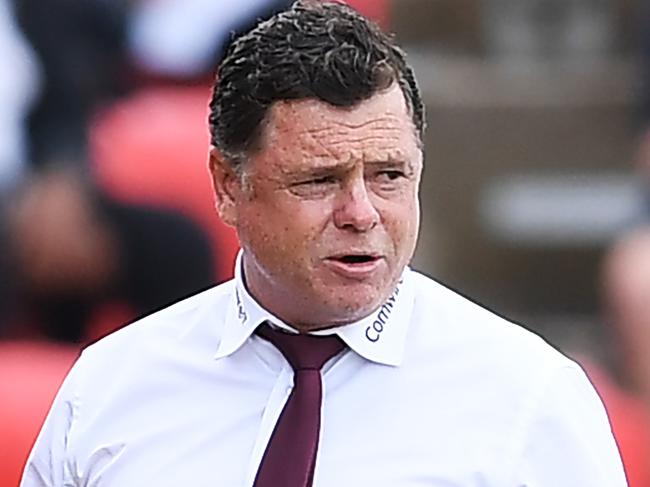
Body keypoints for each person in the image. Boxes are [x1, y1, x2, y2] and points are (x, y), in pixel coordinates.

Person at [21, 2, 627, 486]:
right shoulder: (109, 388)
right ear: (229, 186)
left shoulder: (529, 398)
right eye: (319, 180)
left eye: (389, 175)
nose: (362, 213)